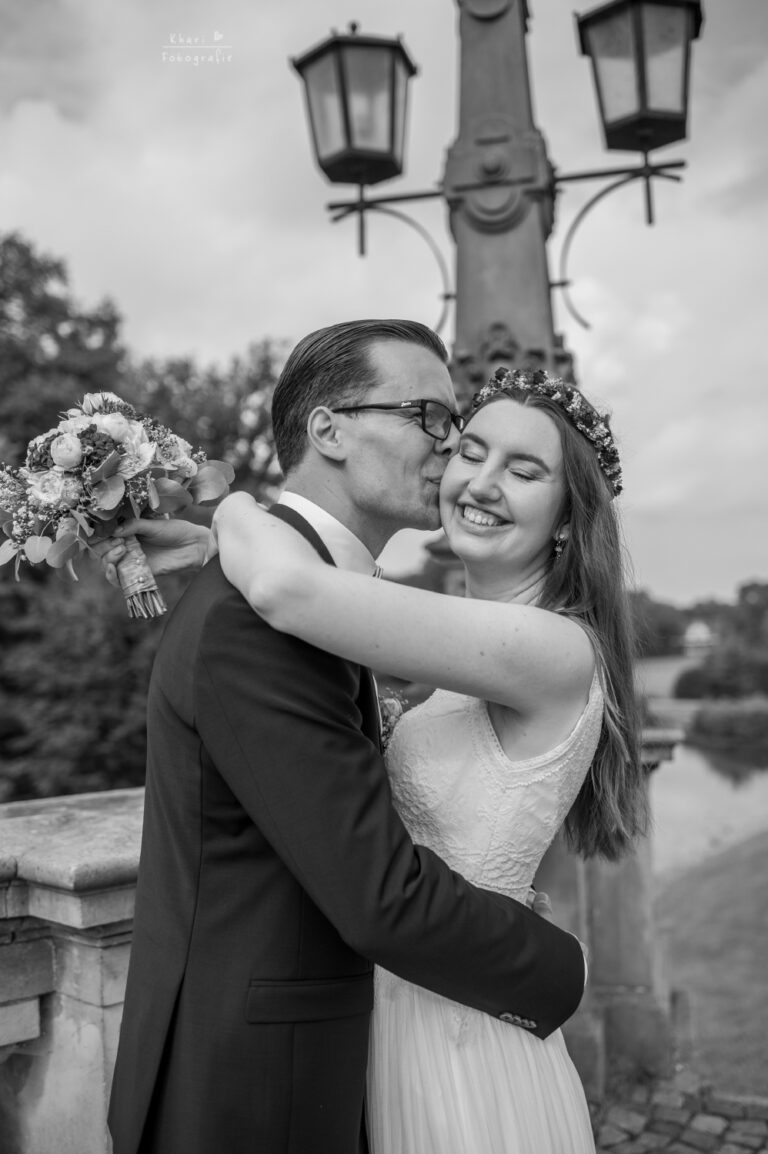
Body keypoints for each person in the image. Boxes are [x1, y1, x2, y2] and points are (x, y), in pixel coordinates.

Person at [105, 321, 589, 1154]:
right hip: (254, 1088)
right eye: (431, 418)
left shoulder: (317, 601)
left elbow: (293, 587)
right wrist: (563, 968)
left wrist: (232, 515)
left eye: (460, 428)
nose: (451, 451)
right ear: (328, 429)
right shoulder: (262, 620)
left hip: (405, 1040)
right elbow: (379, 894)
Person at [199, 363, 647, 1154]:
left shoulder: (550, 647)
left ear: (569, 517)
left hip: (461, 1040)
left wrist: (224, 506)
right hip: (407, 1003)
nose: (481, 483)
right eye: (471, 451)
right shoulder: (462, 644)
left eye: (525, 471)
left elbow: (284, 587)